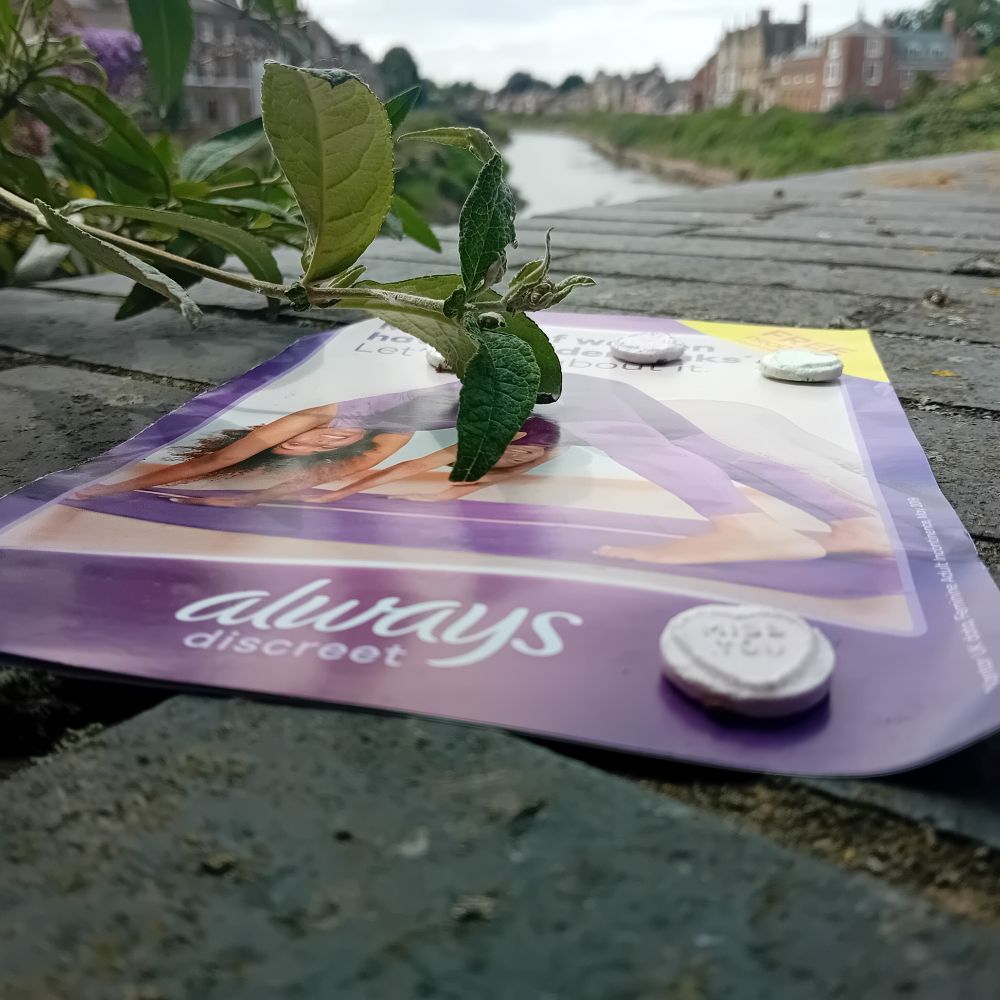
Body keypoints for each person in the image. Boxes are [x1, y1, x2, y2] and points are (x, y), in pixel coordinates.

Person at [75, 375, 888, 563]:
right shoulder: (370, 445)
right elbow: (353, 476)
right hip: (561, 399)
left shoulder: (343, 422)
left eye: (295, 445)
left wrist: (135, 481)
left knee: (663, 448)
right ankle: (848, 521)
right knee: (708, 451)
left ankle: (741, 525)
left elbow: (253, 447)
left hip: (550, 395)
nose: (302, 447)